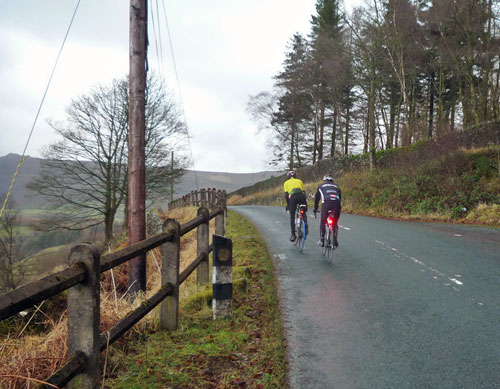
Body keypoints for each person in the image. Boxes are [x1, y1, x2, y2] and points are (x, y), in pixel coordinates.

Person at [313, 174, 341, 247]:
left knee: (323, 221)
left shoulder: (321, 186)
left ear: (324, 180)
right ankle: (335, 240)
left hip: (326, 203)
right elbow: (340, 198)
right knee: (335, 222)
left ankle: (322, 240)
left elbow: (317, 199)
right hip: (336, 203)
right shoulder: (337, 186)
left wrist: (315, 209)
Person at [283, 170, 307, 242]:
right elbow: (303, 192)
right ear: (295, 176)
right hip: (301, 197)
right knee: (303, 212)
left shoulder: (286, 183)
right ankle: (305, 228)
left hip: (293, 198)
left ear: (288, 177)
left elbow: (286, 195)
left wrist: (288, 205)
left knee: (292, 216)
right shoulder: (300, 181)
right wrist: (305, 205)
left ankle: (293, 234)